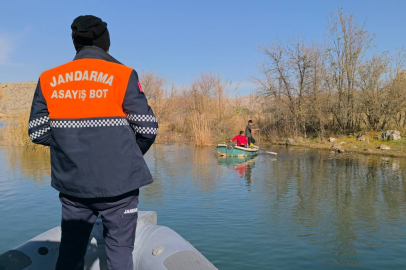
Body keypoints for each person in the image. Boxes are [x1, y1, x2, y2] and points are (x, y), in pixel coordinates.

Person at [28, 15, 158, 270]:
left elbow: (37, 131)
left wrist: (71, 150)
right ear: (106, 44)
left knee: (70, 254)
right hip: (120, 187)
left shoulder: (49, 78)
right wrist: (125, 155)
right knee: (120, 254)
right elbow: (147, 127)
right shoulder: (122, 74)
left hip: (74, 187)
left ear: (75, 44)